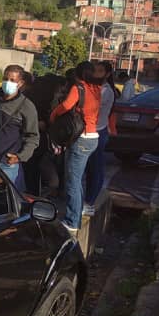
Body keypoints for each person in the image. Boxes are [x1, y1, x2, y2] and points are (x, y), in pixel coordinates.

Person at [51, 61, 104, 233]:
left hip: (81, 138)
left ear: (77, 74)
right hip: (93, 136)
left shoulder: (78, 88)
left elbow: (66, 106)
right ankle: (79, 210)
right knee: (78, 177)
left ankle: (72, 221)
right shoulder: (96, 89)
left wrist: (53, 114)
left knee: (72, 181)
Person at [23, 72, 68, 196]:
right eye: (59, 90)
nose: (60, 93)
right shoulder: (50, 102)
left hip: (34, 142)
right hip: (40, 143)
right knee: (42, 172)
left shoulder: (28, 97)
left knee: (31, 172)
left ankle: (33, 195)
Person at [83, 62, 119, 214]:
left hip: (98, 131)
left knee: (95, 168)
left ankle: (90, 202)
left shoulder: (105, 91)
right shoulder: (95, 89)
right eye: (94, 71)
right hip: (91, 131)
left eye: (100, 71)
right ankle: (87, 200)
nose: (96, 74)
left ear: (107, 74)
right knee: (90, 169)